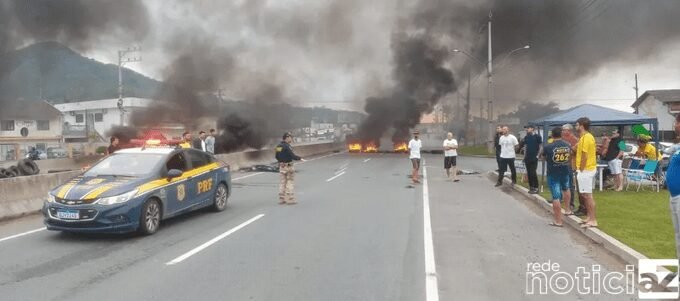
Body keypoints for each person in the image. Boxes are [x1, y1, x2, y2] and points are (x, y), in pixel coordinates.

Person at [543, 127, 573, 227]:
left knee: (556, 196)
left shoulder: (548, 146)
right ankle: (568, 209)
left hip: (553, 172)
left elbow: (542, 156)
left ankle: (558, 221)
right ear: (562, 134)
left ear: (552, 135)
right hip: (565, 170)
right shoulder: (568, 145)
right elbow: (570, 156)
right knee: (566, 188)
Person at [576, 117, 598, 228]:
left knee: (588, 196)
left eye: (577, 125)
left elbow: (584, 155)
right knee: (585, 195)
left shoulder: (586, 138)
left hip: (586, 170)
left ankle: (593, 220)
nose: (576, 127)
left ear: (581, 125)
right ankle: (589, 217)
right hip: (587, 169)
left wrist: (581, 168)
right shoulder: (585, 137)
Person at [666, 114, 680, 265]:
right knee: (678, 235)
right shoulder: (678, 146)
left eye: (676, 122)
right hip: (674, 196)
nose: (675, 125)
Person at [275, 132, 304, 205]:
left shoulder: (279, 146)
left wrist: (280, 161)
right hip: (289, 166)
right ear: (287, 137)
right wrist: (300, 158)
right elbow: (293, 156)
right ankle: (290, 199)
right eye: (290, 137)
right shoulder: (287, 146)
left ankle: (281, 199)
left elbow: (276, 156)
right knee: (290, 182)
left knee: (282, 182)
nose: (291, 138)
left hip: (282, 167)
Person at [562, 123, 582, 214]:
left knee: (570, 184)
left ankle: (571, 203)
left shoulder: (574, 139)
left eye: (564, 130)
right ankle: (562, 199)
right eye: (562, 130)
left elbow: (576, 151)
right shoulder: (562, 138)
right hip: (561, 163)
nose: (563, 131)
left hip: (570, 164)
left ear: (569, 130)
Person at [519, 125, 542, 194]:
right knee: (529, 173)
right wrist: (524, 157)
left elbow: (541, 147)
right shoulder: (526, 137)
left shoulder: (537, 137)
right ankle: (531, 187)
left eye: (528, 128)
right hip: (527, 157)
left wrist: (538, 155)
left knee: (533, 173)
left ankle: (536, 187)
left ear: (532, 129)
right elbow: (525, 147)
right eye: (526, 128)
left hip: (534, 157)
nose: (526, 130)